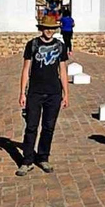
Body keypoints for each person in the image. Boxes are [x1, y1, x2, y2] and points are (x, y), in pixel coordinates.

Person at [17, 15, 70, 176]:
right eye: (46, 27)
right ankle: (27, 161)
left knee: (48, 127)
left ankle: (43, 157)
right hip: (35, 92)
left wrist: (66, 94)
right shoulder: (32, 45)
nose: (49, 30)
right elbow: (26, 69)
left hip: (54, 93)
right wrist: (22, 92)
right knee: (31, 127)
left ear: (55, 29)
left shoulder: (60, 46)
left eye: (52, 28)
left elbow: (63, 71)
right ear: (41, 28)